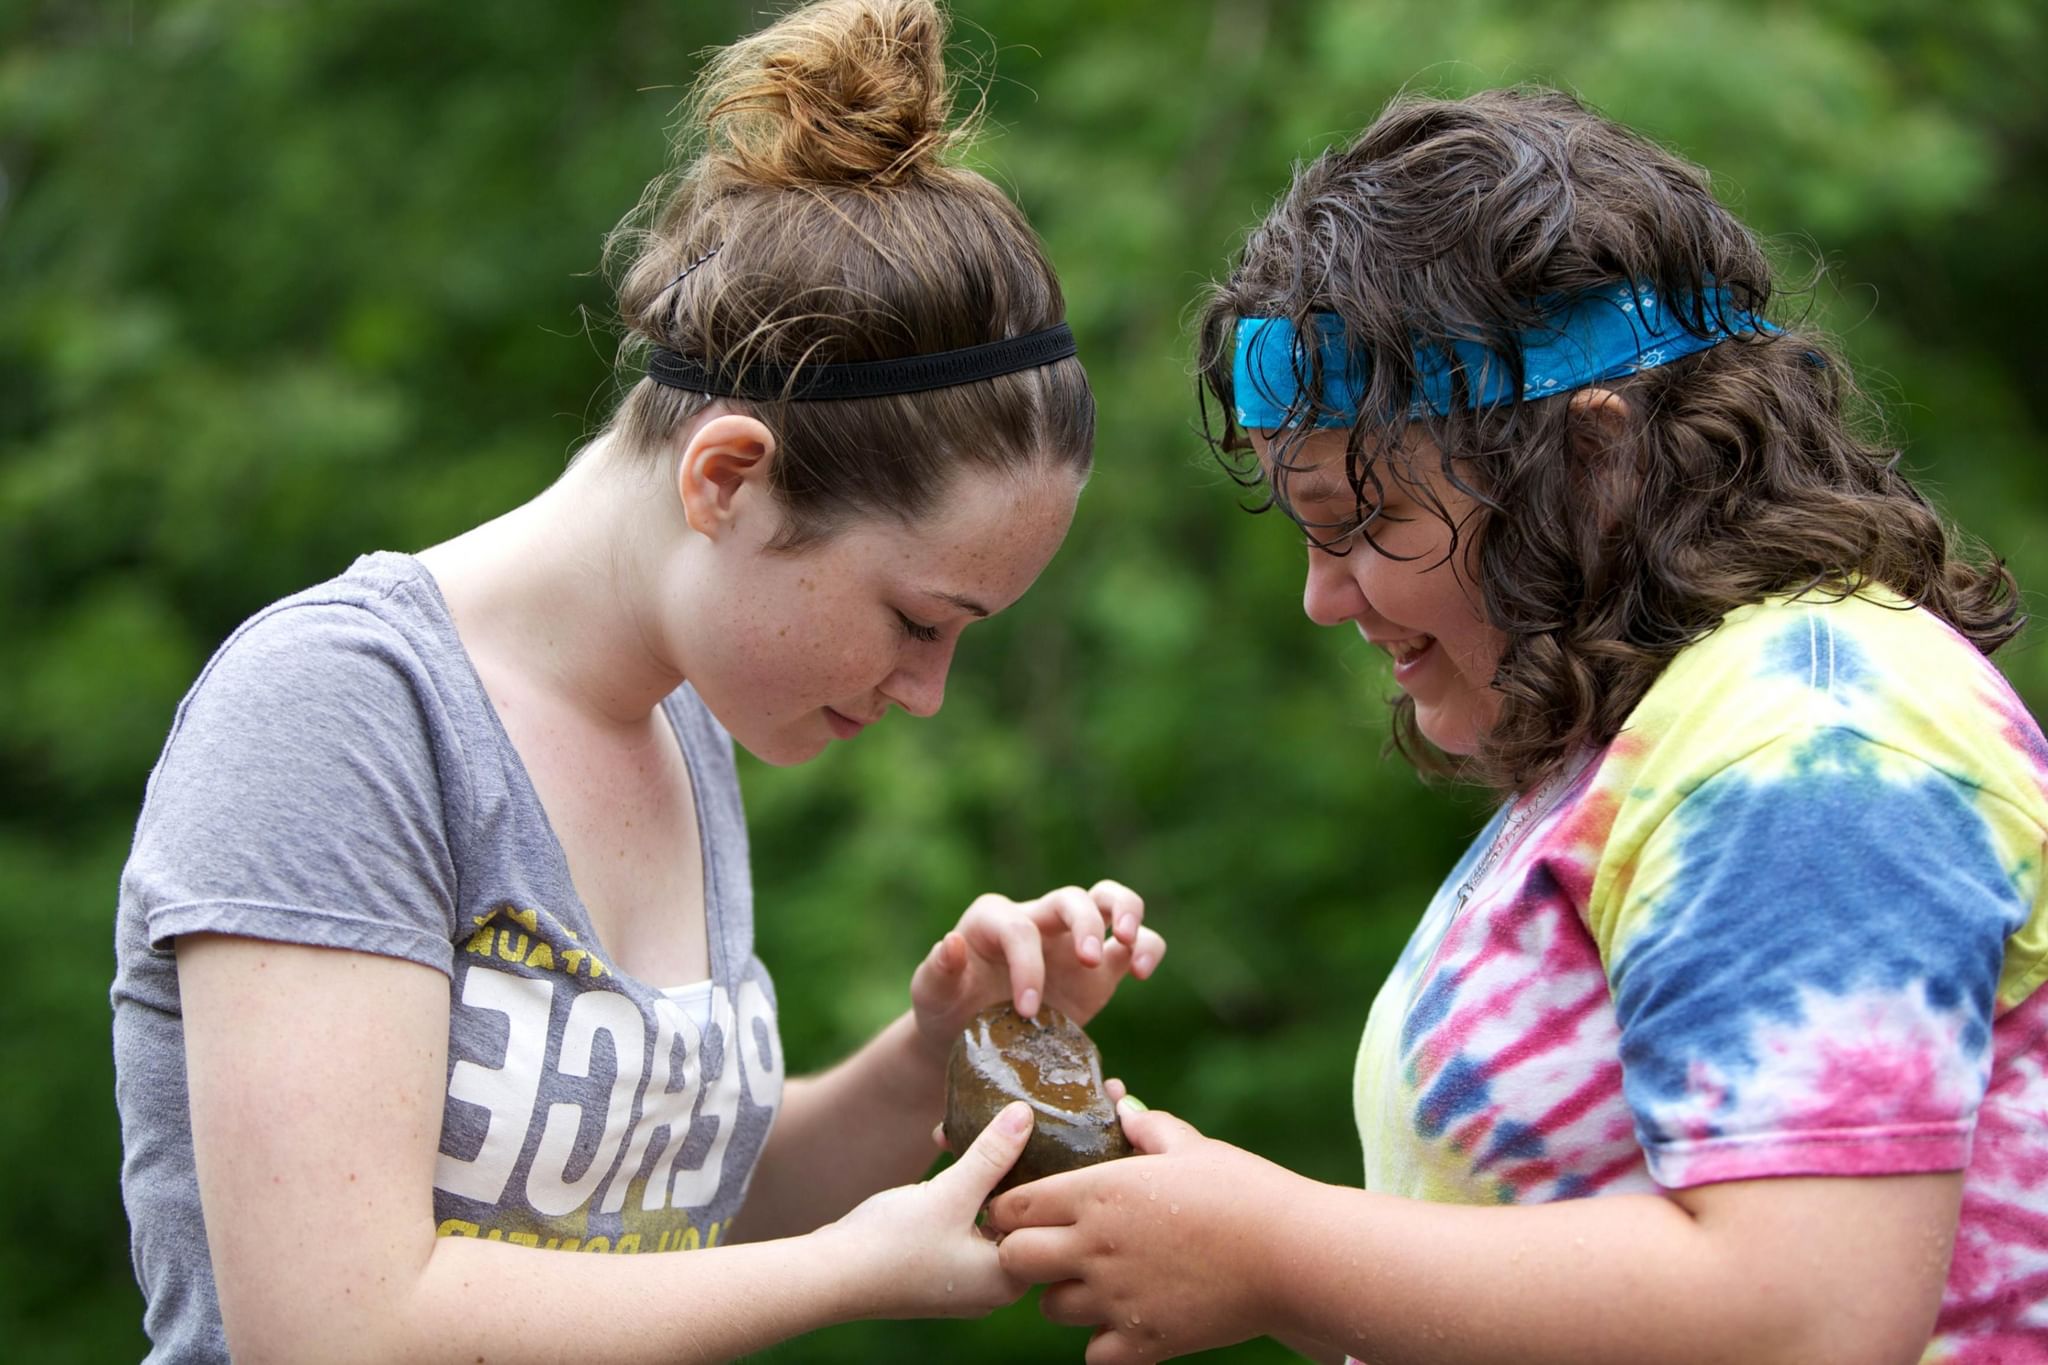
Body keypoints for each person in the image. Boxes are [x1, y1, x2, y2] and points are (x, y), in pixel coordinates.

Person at [109, 2, 1166, 1360]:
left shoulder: (684, 725)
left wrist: (928, 1062)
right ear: (725, 476)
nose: (927, 690)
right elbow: (337, 1329)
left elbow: (671, 1224)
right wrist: (852, 1272)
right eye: (916, 619)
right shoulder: (341, 714)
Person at [989, 88, 2048, 1364]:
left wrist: (1274, 1252)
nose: (1325, 597)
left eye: (1359, 520)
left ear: (1596, 464)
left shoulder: (1811, 742)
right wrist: (1230, 1221)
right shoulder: (1666, 735)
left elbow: (1808, 1317)